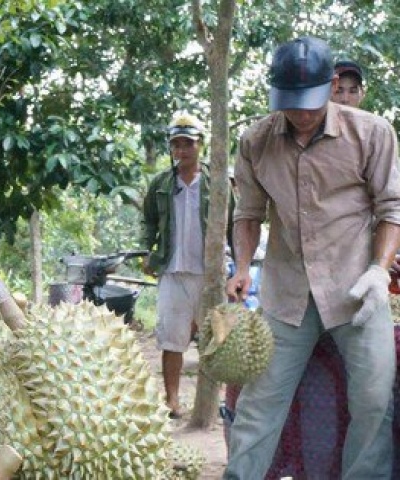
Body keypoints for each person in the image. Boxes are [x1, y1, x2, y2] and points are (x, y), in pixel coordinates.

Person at [224, 36, 400, 479]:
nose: (302, 115)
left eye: (311, 103)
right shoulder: (256, 141)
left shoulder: (372, 133)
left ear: (334, 84)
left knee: (374, 400)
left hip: (357, 292)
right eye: (291, 104)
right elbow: (248, 213)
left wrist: (379, 272)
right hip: (287, 295)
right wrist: (243, 268)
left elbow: (392, 209)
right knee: (257, 406)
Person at [141, 111, 209, 420]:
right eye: (176, 145)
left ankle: (207, 404)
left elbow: (235, 223)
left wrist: (239, 267)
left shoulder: (216, 183)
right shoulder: (161, 184)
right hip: (173, 270)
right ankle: (172, 399)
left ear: (200, 145)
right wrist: (147, 252)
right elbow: (149, 222)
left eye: (188, 144)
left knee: (215, 339)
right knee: (172, 338)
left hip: (210, 273)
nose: (181, 151)